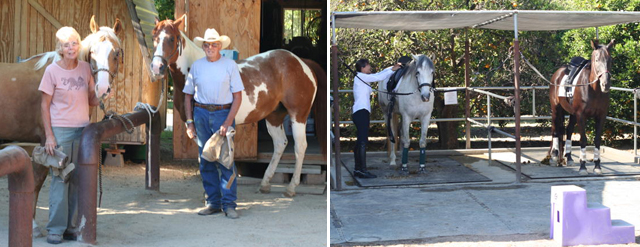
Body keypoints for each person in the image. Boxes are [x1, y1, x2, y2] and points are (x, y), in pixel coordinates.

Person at [39, 26, 102, 244]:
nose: (71, 47)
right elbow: (44, 106)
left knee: (78, 180)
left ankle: (71, 227)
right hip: (61, 132)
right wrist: (49, 135)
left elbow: (92, 100)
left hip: (83, 131)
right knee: (60, 179)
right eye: (66, 44)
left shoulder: (86, 69)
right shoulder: (52, 71)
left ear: (79, 46)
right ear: (60, 48)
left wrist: (102, 92)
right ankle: (55, 229)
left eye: (74, 43)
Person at [184, 28, 244, 219]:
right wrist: (189, 122)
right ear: (203, 46)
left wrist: (227, 121)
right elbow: (188, 96)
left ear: (220, 46)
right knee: (206, 160)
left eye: (214, 44)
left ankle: (229, 204)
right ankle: (213, 202)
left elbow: (237, 96)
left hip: (222, 113)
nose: (210, 47)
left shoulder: (230, 65)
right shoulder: (197, 66)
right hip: (200, 113)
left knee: (226, 161)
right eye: (207, 44)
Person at [352, 59, 400, 178]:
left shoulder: (362, 77)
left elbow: (378, 75)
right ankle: (362, 170)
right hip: (361, 111)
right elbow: (378, 77)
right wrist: (392, 69)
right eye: (368, 65)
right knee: (362, 141)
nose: (370, 67)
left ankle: (358, 168)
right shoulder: (361, 76)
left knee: (360, 141)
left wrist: (391, 68)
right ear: (362, 68)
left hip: (361, 111)